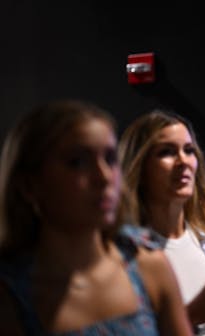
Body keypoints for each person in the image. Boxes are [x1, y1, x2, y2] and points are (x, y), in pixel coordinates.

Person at [0, 99, 193, 335]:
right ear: (30, 183)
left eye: (110, 159)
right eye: (78, 162)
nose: (104, 177)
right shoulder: (11, 296)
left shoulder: (148, 265)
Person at [118, 109, 205, 335]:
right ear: (140, 165)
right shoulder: (123, 253)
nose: (183, 162)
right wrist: (190, 316)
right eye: (167, 152)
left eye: (189, 150)